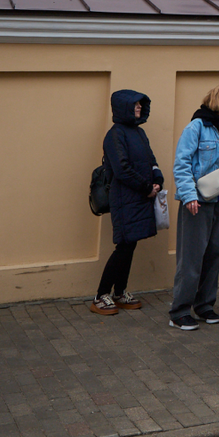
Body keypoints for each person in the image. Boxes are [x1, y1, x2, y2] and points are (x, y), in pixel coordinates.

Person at [89, 90, 163, 316]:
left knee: (130, 245)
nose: (139, 107)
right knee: (124, 245)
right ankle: (101, 296)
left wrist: (157, 178)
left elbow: (150, 160)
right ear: (123, 107)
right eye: (134, 104)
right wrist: (146, 188)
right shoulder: (114, 135)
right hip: (124, 199)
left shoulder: (139, 132)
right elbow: (122, 169)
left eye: (140, 104)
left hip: (140, 198)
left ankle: (120, 292)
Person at [169, 84, 219, 330]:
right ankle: (179, 311)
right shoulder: (196, 127)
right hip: (198, 202)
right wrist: (189, 196)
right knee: (191, 258)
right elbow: (182, 163)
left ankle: (205, 305)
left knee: (214, 254)